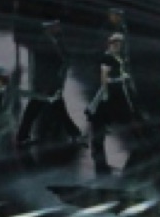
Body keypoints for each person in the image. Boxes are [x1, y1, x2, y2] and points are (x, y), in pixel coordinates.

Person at [15, 20, 85, 148]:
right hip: (46, 84)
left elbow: (65, 57)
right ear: (50, 27)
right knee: (40, 109)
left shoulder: (52, 40)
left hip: (49, 83)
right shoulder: (44, 43)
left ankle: (22, 136)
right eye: (56, 26)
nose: (59, 27)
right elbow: (46, 65)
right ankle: (75, 134)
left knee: (53, 109)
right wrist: (45, 85)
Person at [86, 33, 141, 175]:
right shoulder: (107, 57)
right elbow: (104, 77)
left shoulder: (116, 56)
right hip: (112, 92)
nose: (118, 46)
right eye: (115, 43)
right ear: (110, 44)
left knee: (115, 117)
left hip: (118, 91)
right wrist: (106, 93)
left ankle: (99, 149)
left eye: (119, 44)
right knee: (105, 118)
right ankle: (98, 151)